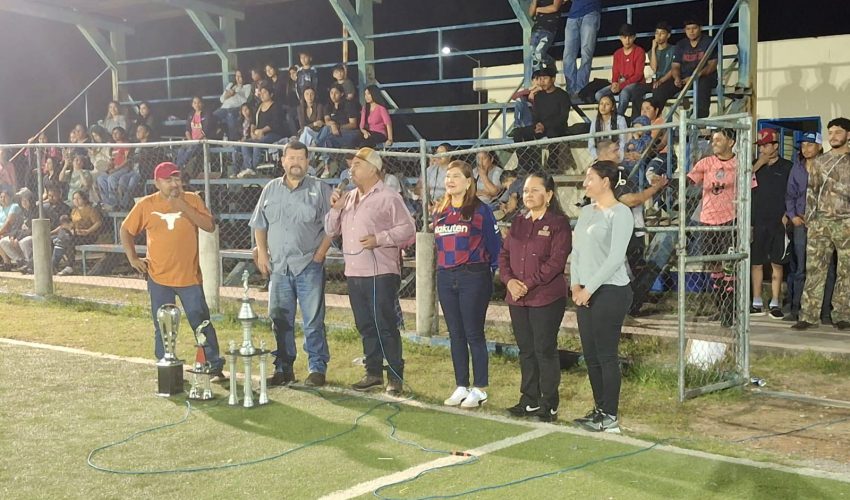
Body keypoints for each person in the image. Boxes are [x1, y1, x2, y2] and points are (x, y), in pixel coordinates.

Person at [120, 162, 226, 379]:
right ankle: (166, 366)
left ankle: (213, 365)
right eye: (168, 180)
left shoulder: (193, 199)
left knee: (200, 321)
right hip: (158, 277)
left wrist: (184, 207)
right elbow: (126, 229)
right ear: (158, 183)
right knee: (162, 325)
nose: (174, 184)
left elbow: (209, 226)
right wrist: (132, 258)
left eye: (177, 179)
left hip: (189, 276)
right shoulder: (146, 204)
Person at [324, 148, 415, 395]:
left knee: (384, 323)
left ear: (373, 169)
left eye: (357, 165)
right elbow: (331, 230)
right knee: (365, 324)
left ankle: (395, 375)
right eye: (351, 166)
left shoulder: (389, 196)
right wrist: (335, 207)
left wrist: (380, 238)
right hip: (354, 272)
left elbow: (408, 229)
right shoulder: (349, 197)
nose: (351, 169)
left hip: (381, 271)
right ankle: (372, 372)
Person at [250, 141, 333, 387]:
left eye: (301, 158)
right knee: (279, 318)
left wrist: (319, 255)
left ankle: (317, 368)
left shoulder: (320, 189)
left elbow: (333, 226)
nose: (296, 162)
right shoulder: (270, 189)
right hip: (279, 268)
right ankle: (283, 368)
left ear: (308, 162)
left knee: (313, 320)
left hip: (309, 265)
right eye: (291, 158)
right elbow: (259, 224)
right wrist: (263, 254)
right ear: (283, 161)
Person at [500, 174, 571, 422]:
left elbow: (555, 263)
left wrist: (527, 285)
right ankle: (528, 399)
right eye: (526, 190)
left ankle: (548, 403)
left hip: (545, 298)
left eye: (535, 190)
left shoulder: (559, 223)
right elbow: (504, 255)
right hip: (517, 299)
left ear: (549, 195)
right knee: (526, 350)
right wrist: (509, 281)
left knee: (544, 349)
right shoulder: (519, 221)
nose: (528, 195)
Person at [571, 160, 634, 433]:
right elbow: (577, 252)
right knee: (591, 354)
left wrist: (589, 289)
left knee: (606, 354)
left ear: (605, 182)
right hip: (584, 292)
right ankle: (599, 409)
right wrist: (575, 286)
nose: (586, 184)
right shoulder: (586, 212)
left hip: (610, 291)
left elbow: (615, 258)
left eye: (590, 178)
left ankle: (610, 414)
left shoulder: (621, 213)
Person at [433, 160, 501, 408]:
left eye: (456, 176)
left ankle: (480, 388)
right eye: (447, 176)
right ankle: (461, 384)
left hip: (473, 275)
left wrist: (487, 272)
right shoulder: (440, 210)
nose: (450, 180)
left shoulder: (481, 210)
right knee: (455, 333)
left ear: (469, 181)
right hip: (445, 275)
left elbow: (495, 247)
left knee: (473, 332)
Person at [794, 117, 850, 331]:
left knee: (847, 271)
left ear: (848, 135)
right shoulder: (820, 162)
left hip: (846, 222)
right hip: (820, 222)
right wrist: (810, 219)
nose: (833, 136)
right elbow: (811, 191)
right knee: (814, 269)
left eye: (838, 132)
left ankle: (842, 314)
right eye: (831, 132)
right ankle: (808, 315)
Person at [687, 129, 743, 327]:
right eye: (713, 139)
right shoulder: (706, 162)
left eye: (719, 139)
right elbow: (689, 180)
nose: (714, 142)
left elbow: (751, 190)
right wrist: (667, 183)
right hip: (708, 221)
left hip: (730, 220)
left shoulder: (740, 164)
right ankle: (720, 308)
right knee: (714, 267)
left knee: (730, 268)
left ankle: (730, 312)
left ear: (731, 141)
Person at [785, 132, 834, 324]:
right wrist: (793, 216)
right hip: (801, 223)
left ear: (820, 147)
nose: (806, 149)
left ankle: (825, 312)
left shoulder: (829, 167)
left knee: (826, 268)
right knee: (801, 267)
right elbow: (789, 195)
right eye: (803, 145)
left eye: (810, 145)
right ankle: (797, 309)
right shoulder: (797, 168)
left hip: (823, 224)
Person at [750, 129, 793, 319]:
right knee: (756, 261)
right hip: (757, 221)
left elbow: (793, 194)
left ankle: (776, 302)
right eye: (760, 146)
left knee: (777, 262)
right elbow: (742, 185)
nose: (763, 149)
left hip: (779, 221)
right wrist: (759, 164)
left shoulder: (787, 167)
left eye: (766, 145)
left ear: (776, 146)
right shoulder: (754, 166)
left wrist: (787, 215)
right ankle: (756, 301)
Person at [652, 18, 718, 119]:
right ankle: (654, 120)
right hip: (684, 79)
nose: (691, 31)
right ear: (685, 30)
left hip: (703, 77)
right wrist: (677, 78)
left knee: (702, 85)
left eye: (694, 28)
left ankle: (699, 121)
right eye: (688, 29)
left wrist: (694, 77)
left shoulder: (709, 41)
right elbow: (675, 66)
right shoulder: (681, 44)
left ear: (700, 28)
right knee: (660, 90)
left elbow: (712, 65)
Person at [594, 24, 647, 119]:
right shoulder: (617, 53)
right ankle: (613, 115)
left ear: (634, 37)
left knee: (625, 92)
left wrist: (621, 85)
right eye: (624, 37)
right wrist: (614, 82)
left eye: (630, 37)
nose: (627, 40)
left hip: (637, 84)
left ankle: (618, 118)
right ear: (620, 38)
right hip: (621, 83)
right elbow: (615, 72)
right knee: (599, 94)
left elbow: (638, 75)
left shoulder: (639, 51)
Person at [241, 82, 285, 176]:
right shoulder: (259, 106)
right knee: (244, 144)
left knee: (258, 145)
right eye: (261, 92)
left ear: (271, 94)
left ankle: (255, 168)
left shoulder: (276, 107)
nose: (262, 94)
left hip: (273, 134)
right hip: (259, 134)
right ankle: (248, 167)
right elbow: (253, 122)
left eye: (264, 92)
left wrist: (262, 131)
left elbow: (275, 123)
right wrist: (252, 132)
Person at [561, 0, 601, 101]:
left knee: (586, 53)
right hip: (573, 15)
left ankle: (581, 90)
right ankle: (571, 90)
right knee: (568, 55)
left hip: (590, 11)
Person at [175, 96, 218, 174]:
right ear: (192, 104)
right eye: (194, 103)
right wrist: (190, 141)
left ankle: (177, 168)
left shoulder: (207, 114)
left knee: (190, 150)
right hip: (192, 141)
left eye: (199, 102)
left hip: (202, 141)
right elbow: (187, 130)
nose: (197, 104)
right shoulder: (191, 114)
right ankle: (179, 168)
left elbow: (206, 130)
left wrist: (196, 141)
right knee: (181, 149)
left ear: (202, 103)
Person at [526, 0, 564, 83]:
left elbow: (555, 8)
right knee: (534, 57)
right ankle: (538, 83)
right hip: (536, 29)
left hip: (549, 28)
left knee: (539, 53)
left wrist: (538, 9)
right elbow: (530, 13)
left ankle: (550, 63)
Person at [588, 95, 628, 161]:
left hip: (615, 156)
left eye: (607, 104)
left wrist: (618, 157)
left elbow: (623, 142)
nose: (603, 107)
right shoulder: (595, 121)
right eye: (601, 104)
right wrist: (598, 157)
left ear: (612, 107)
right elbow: (591, 144)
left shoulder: (620, 119)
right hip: (600, 157)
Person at [214, 69, 251, 140]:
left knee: (230, 115)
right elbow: (221, 99)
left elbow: (245, 101)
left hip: (236, 108)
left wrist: (236, 94)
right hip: (224, 108)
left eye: (240, 76)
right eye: (237, 76)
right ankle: (214, 139)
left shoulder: (247, 87)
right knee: (213, 116)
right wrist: (227, 95)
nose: (238, 78)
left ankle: (233, 140)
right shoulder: (230, 85)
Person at [0, 188, 22, 271]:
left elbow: (9, 223)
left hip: (10, 231)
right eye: (1, 197)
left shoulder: (14, 206)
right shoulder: (0, 208)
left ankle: (13, 261)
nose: (2, 199)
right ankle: (6, 262)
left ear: (10, 198)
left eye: (4, 197)